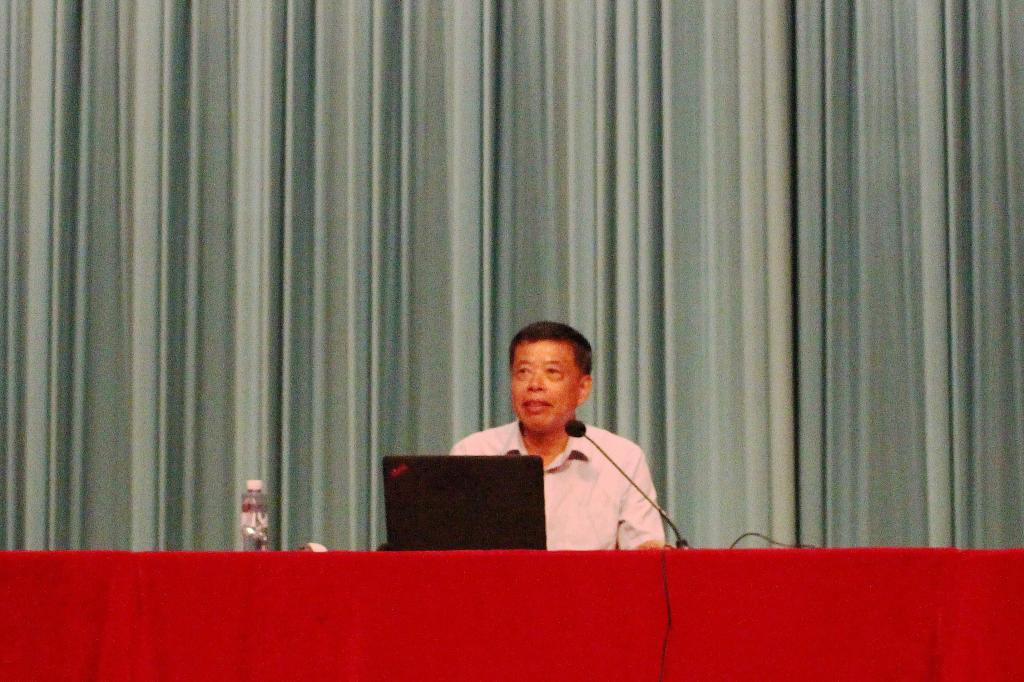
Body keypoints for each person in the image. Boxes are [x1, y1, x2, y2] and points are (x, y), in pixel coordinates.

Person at [450, 321, 666, 550]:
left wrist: (654, 551)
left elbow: (646, 551)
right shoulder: (472, 453)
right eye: (523, 372)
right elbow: (449, 549)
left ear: (582, 388)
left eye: (552, 372)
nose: (535, 385)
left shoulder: (621, 459)